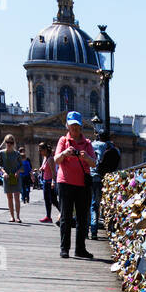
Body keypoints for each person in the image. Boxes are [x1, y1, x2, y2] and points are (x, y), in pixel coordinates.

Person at [54, 111, 95, 259]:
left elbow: (94, 163)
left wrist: (87, 157)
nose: (75, 129)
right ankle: (64, 248)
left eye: (77, 126)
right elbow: (56, 160)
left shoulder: (88, 143)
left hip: (82, 184)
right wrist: (65, 153)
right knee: (65, 216)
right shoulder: (63, 141)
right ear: (68, 126)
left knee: (82, 218)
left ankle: (80, 249)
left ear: (81, 126)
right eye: (72, 126)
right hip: (65, 183)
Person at [89, 135, 121, 239]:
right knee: (95, 205)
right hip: (100, 178)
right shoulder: (110, 147)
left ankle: (84, 231)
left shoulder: (91, 145)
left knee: (85, 204)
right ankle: (94, 230)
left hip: (88, 176)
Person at [0, 135, 23, 222]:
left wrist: (17, 172)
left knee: (16, 197)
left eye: (11, 142)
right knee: (9, 197)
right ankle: (12, 216)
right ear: (5, 142)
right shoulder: (1, 153)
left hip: (15, 177)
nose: (9, 144)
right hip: (7, 177)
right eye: (7, 142)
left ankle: (18, 216)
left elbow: (21, 166)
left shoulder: (17, 154)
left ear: (13, 143)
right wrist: (3, 173)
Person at [38, 142, 57, 223]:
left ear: (45, 150)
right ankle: (48, 217)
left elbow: (53, 172)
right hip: (45, 181)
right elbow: (44, 167)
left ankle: (63, 214)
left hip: (49, 182)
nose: (40, 152)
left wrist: (53, 182)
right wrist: (41, 169)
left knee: (53, 200)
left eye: (41, 150)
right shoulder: (46, 158)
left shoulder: (50, 158)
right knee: (47, 200)